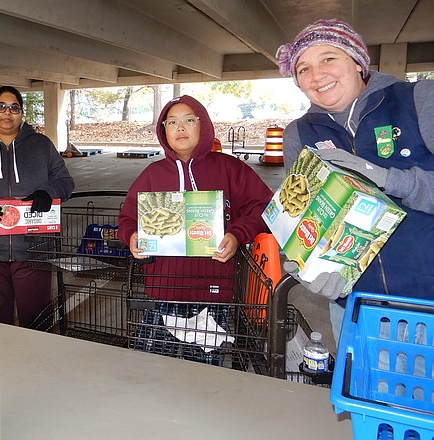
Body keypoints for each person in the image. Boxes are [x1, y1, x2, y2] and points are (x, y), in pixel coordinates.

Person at [276, 19, 434, 343]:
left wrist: (388, 180)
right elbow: (303, 219)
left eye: (328, 58)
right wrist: (302, 263)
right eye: (303, 69)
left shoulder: (419, 100)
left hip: (427, 307)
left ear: (357, 61)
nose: (316, 75)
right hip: (355, 310)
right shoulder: (299, 134)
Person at [117, 95, 272, 362]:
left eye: (189, 120)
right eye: (172, 122)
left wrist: (237, 234)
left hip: (214, 292)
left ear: (204, 126)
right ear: (163, 130)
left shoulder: (229, 168)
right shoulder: (152, 175)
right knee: (151, 365)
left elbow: (264, 206)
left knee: (203, 370)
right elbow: (128, 218)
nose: (180, 128)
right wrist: (131, 236)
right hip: (163, 290)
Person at [0, 85, 75, 327]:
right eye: (1, 107)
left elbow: (65, 182)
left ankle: (37, 363)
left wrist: (47, 193)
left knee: (37, 318)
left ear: (21, 113)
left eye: (14, 108)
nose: (7, 113)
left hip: (33, 249)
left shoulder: (41, 145)